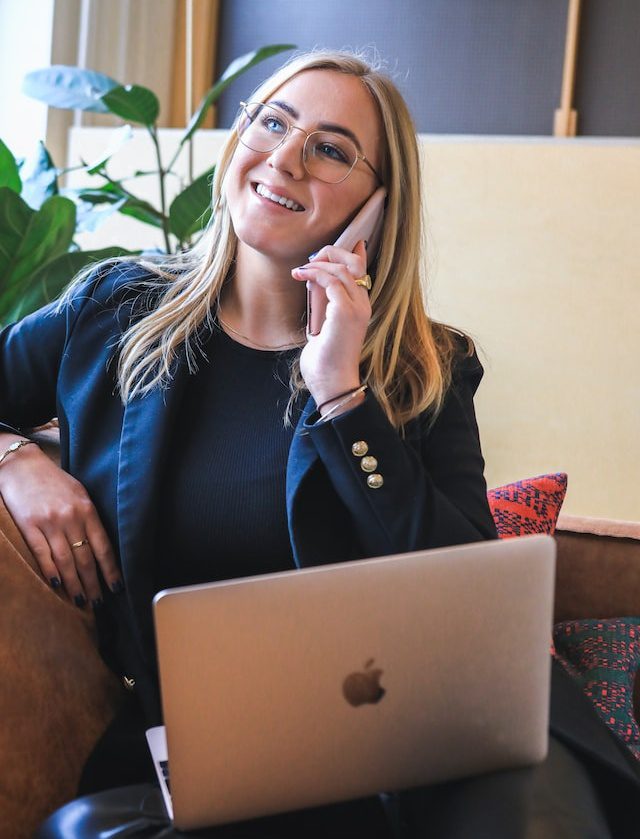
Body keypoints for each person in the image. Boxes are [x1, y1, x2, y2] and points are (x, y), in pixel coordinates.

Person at [1, 50, 638, 838]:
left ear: (375, 206)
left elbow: (464, 586)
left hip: (441, 741)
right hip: (223, 756)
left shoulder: (425, 368)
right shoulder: (113, 313)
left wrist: (342, 393)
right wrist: (14, 456)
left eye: (331, 149)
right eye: (272, 122)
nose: (284, 158)